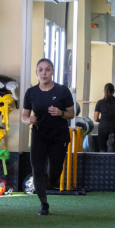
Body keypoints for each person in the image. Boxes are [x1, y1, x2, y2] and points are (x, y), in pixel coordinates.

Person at [21, 59, 76, 216]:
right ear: (36, 72)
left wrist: (61, 113)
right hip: (39, 136)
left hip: (59, 137)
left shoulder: (62, 91)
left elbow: (72, 113)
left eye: (47, 70)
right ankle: (44, 204)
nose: (44, 73)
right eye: (41, 70)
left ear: (52, 72)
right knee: (37, 170)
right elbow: (24, 116)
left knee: (54, 172)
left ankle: (49, 181)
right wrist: (28, 120)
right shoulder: (31, 93)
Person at [94, 83, 115, 153]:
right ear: (114, 91)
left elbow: (95, 118)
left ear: (104, 91)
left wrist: (102, 120)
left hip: (103, 126)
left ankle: (102, 162)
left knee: (102, 149)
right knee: (114, 149)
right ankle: (112, 148)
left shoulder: (99, 102)